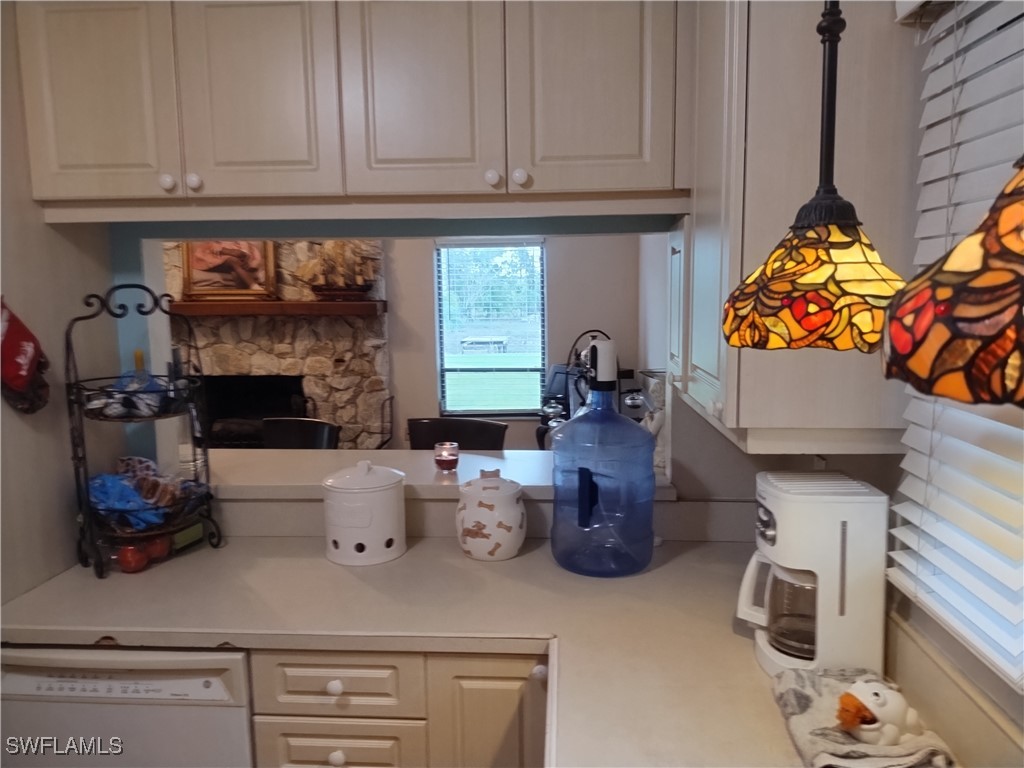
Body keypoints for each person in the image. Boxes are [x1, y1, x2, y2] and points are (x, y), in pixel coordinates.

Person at [189, 241, 265, 290]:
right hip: (213, 257)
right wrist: (228, 251)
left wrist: (244, 254)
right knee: (232, 260)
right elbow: (211, 246)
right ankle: (253, 286)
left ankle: (242, 298)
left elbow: (245, 246)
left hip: (234, 259)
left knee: (235, 268)